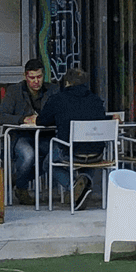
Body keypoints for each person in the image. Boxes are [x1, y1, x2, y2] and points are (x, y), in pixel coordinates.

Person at [43, 67, 113, 208]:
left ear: (67, 82)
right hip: (97, 155)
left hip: (70, 153)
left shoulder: (58, 99)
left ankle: (73, 185)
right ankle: (84, 181)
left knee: (47, 163)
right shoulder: (96, 100)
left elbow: (41, 121)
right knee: (89, 145)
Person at [0, 58, 50, 201]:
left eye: (39, 77)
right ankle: (22, 188)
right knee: (28, 155)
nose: (36, 81)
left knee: (54, 155)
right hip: (20, 136)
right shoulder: (14, 91)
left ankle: (18, 180)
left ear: (44, 75)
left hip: (45, 135)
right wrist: (23, 119)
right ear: (25, 76)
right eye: (32, 78)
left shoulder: (52, 90)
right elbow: (1, 117)